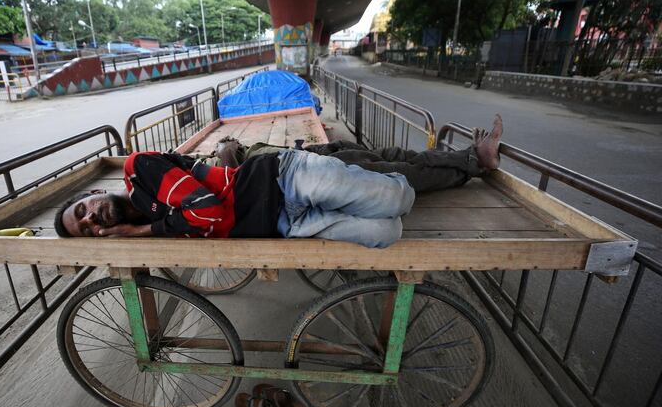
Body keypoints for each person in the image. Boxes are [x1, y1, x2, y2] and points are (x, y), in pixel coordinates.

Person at [55, 115, 503, 248]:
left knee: (397, 194)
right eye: (88, 230)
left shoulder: (139, 170)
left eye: (83, 211)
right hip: (286, 227)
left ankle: (467, 163)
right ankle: (463, 164)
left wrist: (136, 230)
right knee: (387, 230)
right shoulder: (149, 223)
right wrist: (143, 230)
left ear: (93, 194)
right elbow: (201, 217)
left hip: (285, 180)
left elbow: (207, 212)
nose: (93, 220)